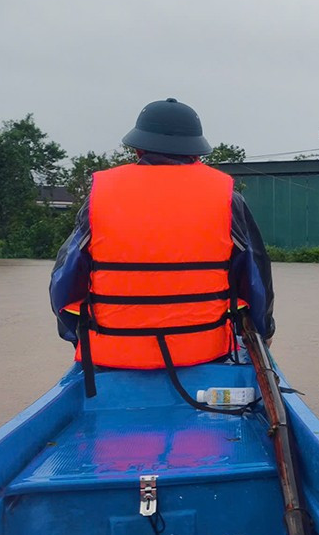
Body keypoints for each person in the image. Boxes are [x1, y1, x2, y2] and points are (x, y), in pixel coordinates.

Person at [49, 98, 274, 396]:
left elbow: (63, 282)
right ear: (196, 153)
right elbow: (255, 273)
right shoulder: (227, 196)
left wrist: (75, 334)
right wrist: (263, 330)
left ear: (138, 149)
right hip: (205, 352)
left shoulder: (100, 196)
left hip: (113, 357)